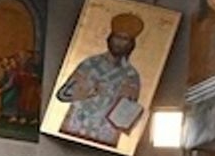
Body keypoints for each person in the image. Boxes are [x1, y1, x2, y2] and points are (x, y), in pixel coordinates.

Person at [54, 13, 147, 148]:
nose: (120, 43)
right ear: (110, 38)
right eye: (117, 37)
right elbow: (62, 94)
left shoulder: (131, 75)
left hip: (105, 133)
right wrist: (87, 93)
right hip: (78, 125)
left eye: (125, 39)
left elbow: (128, 114)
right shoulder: (90, 64)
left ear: (131, 44)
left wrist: (125, 101)